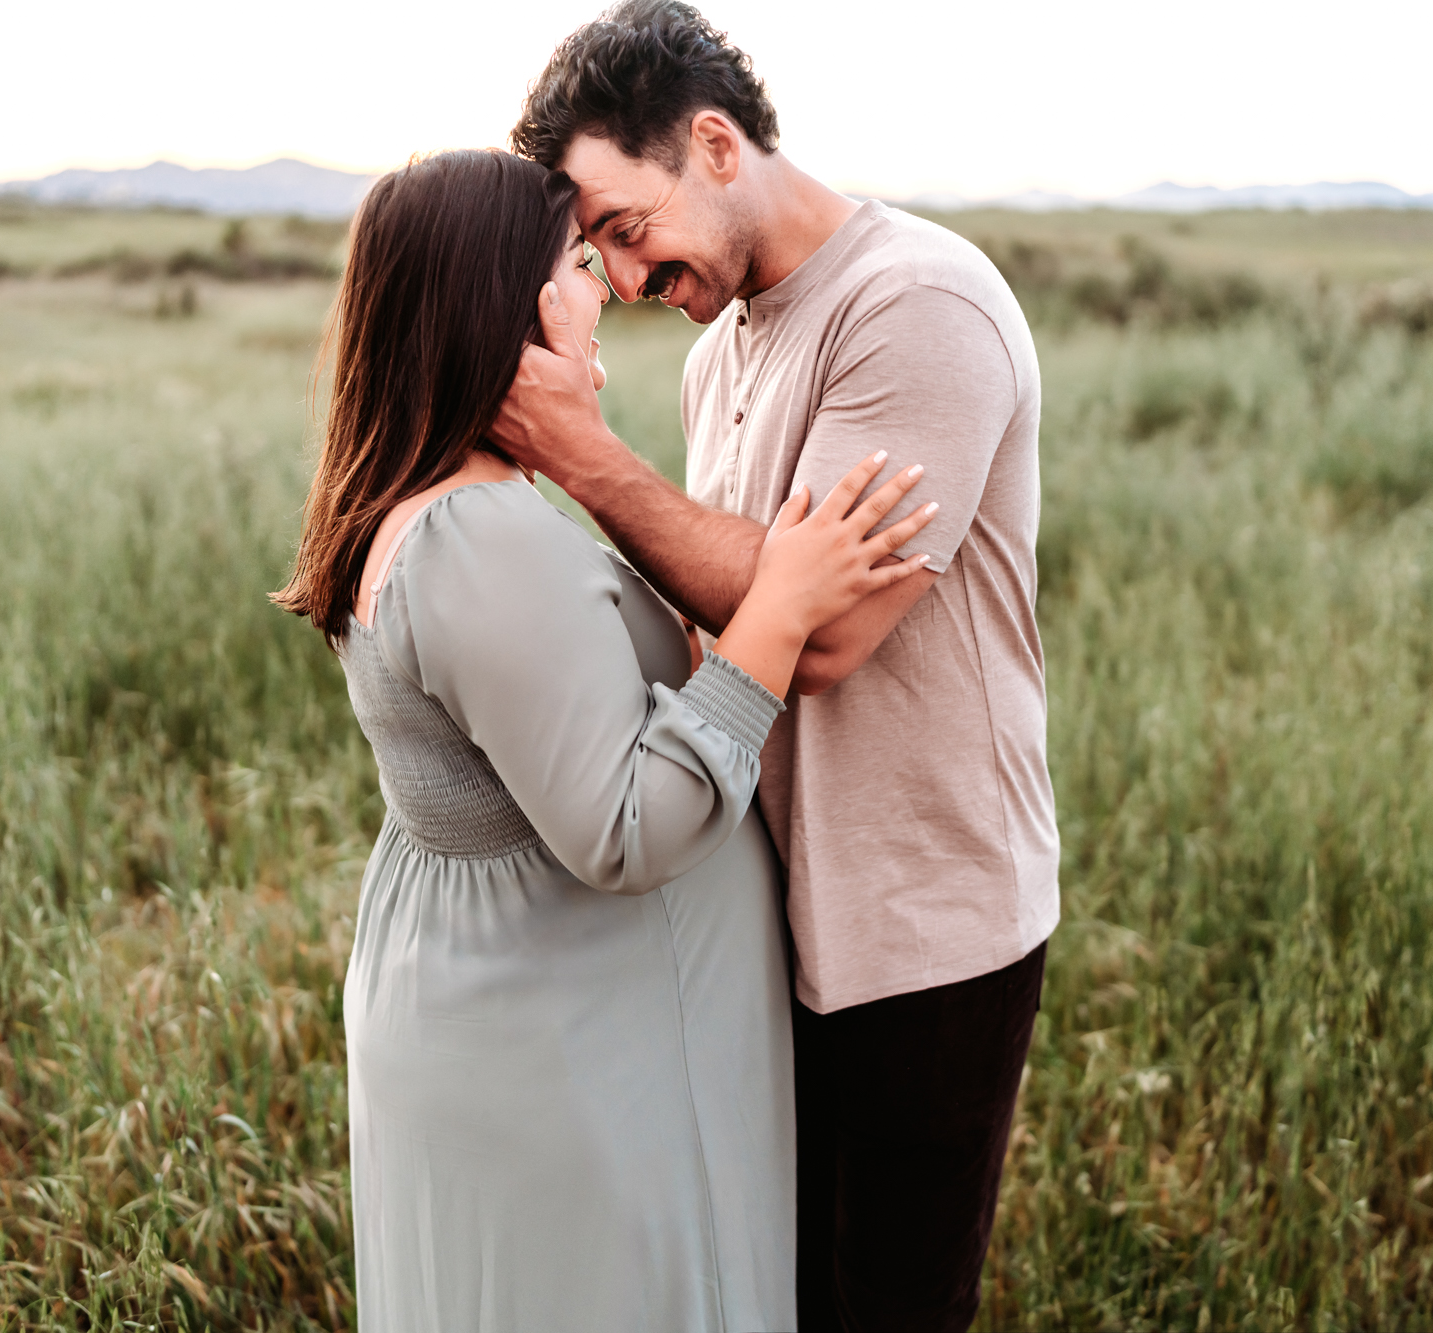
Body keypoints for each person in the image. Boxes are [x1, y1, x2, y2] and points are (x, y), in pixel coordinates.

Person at [272, 148, 937, 1332]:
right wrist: (779, 605)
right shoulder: (479, 535)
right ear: (517, 305)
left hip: (520, 1011)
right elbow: (629, 827)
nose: (604, 294)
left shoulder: (427, 507)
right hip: (577, 1050)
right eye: (578, 263)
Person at [493, 5, 1061, 1329]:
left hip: (926, 926)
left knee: (891, 1306)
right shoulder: (714, 361)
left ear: (712, 143)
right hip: (769, 921)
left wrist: (583, 457)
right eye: (597, 253)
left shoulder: (914, 303)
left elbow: (822, 638)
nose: (625, 282)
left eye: (627, 230)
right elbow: (724, 621)